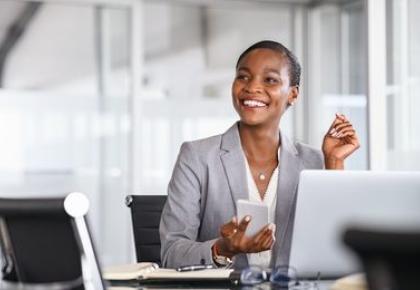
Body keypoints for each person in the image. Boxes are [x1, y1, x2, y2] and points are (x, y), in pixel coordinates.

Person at [159, 40, 360, 269]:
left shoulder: (314, 161)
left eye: (270, 80)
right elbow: (171, 253)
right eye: (243, 76)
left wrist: (333, 163)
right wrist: (223, 249)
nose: (252, 87)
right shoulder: (196, 157)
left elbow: (337, 249)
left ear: (293, 94)